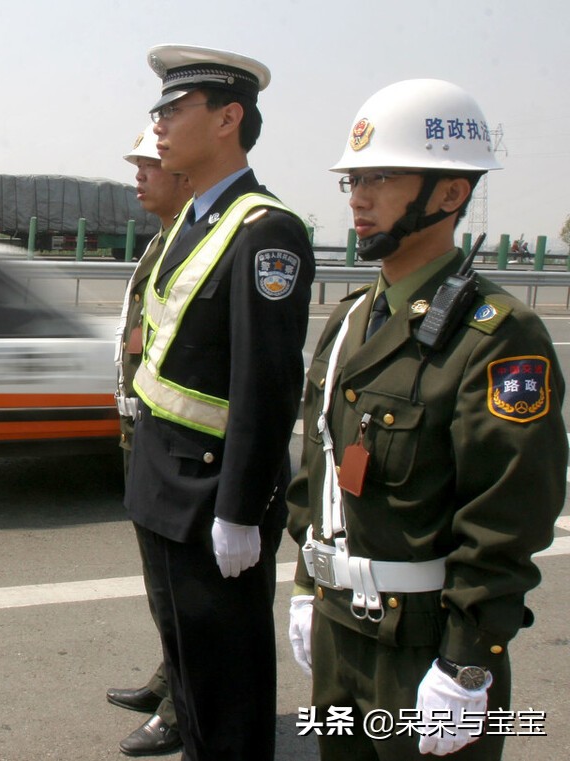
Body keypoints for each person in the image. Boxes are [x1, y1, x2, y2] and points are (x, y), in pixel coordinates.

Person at [285, 79, 567, 760]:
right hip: (338, 632)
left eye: (381, 176)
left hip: (426, 648)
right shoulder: (350, 318)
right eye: (354, 177)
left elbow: (508, 513)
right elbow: (321, 472)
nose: (358, 195)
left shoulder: (497, 334)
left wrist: (469, 661)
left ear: (449, 194)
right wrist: (305, 583)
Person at [124, 44, 315, 760]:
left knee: (227, 693)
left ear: (229, 117)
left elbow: (268, 384)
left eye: (175, 109)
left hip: (211, 498)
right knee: (190, 679)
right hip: (162, 483)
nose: (160, 125)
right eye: (159, 110)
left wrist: (240, 511)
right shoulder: (192, 221)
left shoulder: (266, 230)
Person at [107, 123, 193, 757]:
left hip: (183, 447)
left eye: (148, 163)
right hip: (146, 431)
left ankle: (183, 707)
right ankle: (172, 674)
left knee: (183, 590)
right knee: (159, 583)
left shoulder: (195, 245)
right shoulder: (162, 242)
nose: (139, 174)